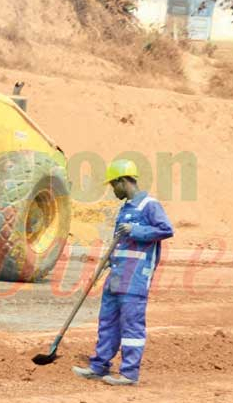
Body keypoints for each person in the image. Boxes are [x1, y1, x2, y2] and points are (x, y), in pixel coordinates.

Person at [72, 159, 174, 386]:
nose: (112, 190)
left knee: (131, 325)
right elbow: (121, 242)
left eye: (113, 185)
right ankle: (99, 366)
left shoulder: (150, 205)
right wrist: (108, 259)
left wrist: (136, 230)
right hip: (117, 274)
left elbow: (166, 230)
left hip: (136, 277)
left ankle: (129, 374)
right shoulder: (126, 208)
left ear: (123, 181)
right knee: (107, 322)